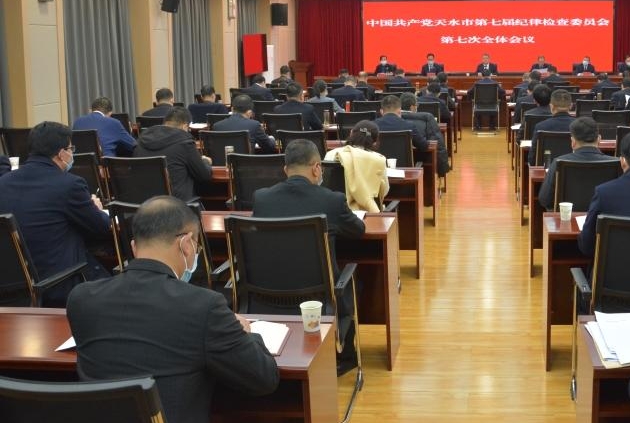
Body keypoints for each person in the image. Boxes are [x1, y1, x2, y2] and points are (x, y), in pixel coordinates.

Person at [67, 196, 280, 423]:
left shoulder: (81, 299)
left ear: (134, 247)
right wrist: (246, 333)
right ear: (186, 244)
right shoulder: (203, 306)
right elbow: (263, 379)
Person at [252, 139, 366, 375]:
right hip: (319, 296)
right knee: (357, 280)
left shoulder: (261, 198)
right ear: (316, 168)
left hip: (267, 292)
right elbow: (358, 230)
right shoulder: (332, 200)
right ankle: (344, 355)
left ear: (286, 169)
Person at [0, 121, 112, 306]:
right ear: (61, 154)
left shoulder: (3, 183)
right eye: (71, 149)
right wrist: (97, 209)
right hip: (59, 284)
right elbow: (101, 227)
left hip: (13, 290)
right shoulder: (69, 185)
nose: (72, 154)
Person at [133, 107, 212, 201]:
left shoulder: (141, 141)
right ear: (185, 126)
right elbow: (204, 176)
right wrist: (205, 162)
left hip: (144, 203)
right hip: (176, 205)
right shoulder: (185, 143)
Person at [537, 117, 616, 210]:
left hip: (567, 216)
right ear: (599, 139)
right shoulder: (616, 163)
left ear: (573, 142)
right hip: (603, 217)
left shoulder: (558, 162)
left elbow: (544, 199)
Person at [324, 120, 389, 212]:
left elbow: (326, 185)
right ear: (374, 142)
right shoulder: (378, 160)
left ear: (351, 133)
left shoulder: (331, 154)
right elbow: (384, 191)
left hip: (334, 211)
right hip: (368, 213)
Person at [400, 93, 450, 177]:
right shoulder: (427, 119)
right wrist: (442, 169)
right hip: (421, 164)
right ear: (412, 107)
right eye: (417, 105)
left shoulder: (391, 121)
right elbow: (438, 145)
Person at [73, 96, 137, 156]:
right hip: (106, 163)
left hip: (82, 163)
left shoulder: (77, 121)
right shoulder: (113, 122)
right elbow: (133, 145)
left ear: (90, 110)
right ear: (110, 113)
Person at [211, 94, 276, 154]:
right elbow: (269, 146)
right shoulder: (254, 125)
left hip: (222, 163)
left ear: (232, 109)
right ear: (250, 113)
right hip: (246, 163)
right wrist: (272, 139)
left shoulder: (217, 126)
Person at [527, 89, 574, 166]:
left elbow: (532, 156)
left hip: (546, 168)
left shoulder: (540, 126)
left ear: (551, 106)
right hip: (571, 167)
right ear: (571, 106)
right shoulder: (580, 126)